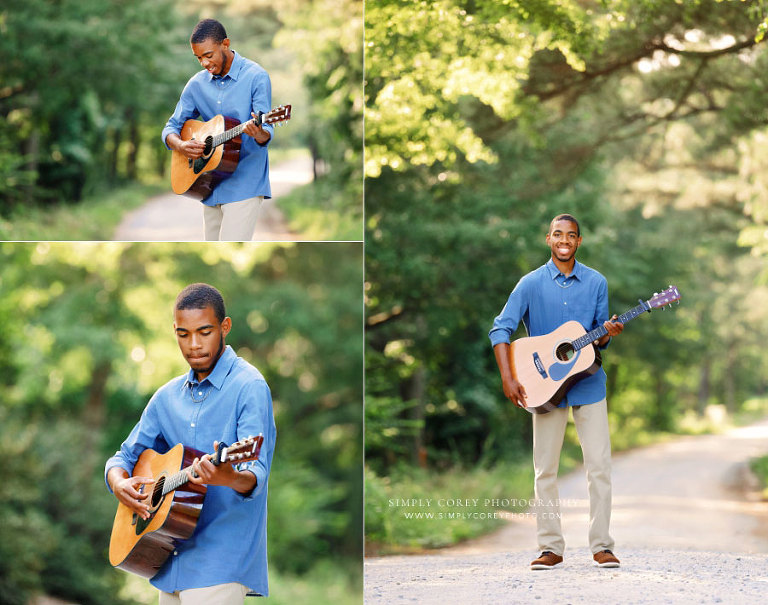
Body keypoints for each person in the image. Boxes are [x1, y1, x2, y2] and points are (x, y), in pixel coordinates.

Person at [105, 283, 276, 603]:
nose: (194, 344)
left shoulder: (249, 386)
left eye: (205, 332)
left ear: (224, 327)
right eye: (183, 334)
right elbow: (124, 457)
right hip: (168, 560)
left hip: (221, 562)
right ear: (175, 331)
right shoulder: (165, 398)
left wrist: (228, 477)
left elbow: (255, 473)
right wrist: (119, 484)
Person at [488, 214, 624, 571]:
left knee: (600, 468)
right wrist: (508, 377)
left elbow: (599, 337)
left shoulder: (597, 282)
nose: (565, 240)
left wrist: (607, 332)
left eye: (572, 235)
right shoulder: (529, 284)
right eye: (558, 234)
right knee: (544, 470)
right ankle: (550, 547)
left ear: (579, 241)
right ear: (548, 239)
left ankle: (602, 546)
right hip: (543, 386)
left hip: (589, 385)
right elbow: (500, 330)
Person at [162, 19, 274, 241]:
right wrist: (182, 145)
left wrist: (258, 132)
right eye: (199, 58)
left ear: (225, 44)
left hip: (245, 182)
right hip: (209, 184)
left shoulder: (256, 76)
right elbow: (171, 127)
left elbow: (266, 131)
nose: (204, 63)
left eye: (208, 55)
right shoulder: (195, 85)